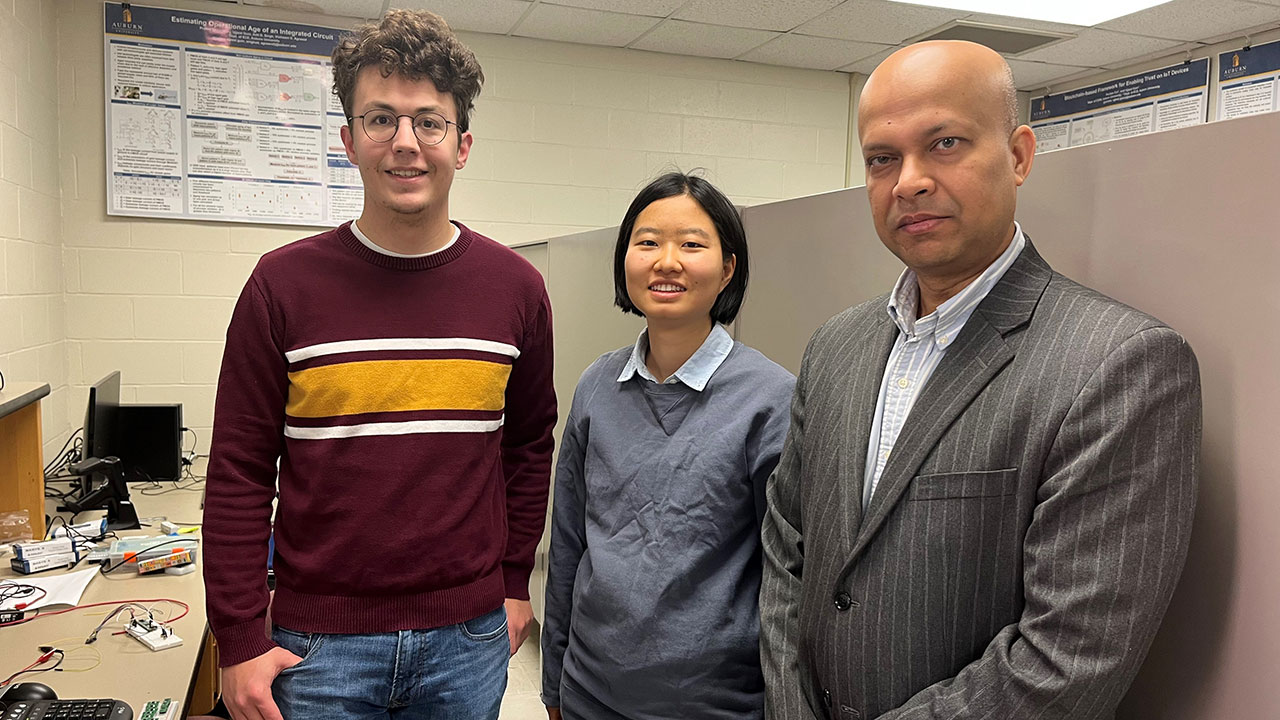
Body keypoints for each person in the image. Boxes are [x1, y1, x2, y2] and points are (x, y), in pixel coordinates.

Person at [759, 41, 1201, 719]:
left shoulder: (1121, 365)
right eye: (882, 158)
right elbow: (788, 549)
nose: (908, 180)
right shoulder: (836, 346)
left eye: (944, 143)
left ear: (1019, 155)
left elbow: (1069, 660)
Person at [202, 10, 556, 719]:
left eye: (429, 121)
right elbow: (238, 472)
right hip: (318, 647)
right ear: (348, 141)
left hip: (467, 639)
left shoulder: (516, 288)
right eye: (380, 120)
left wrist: (515, 583)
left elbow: (527, 449)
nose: (406, 144)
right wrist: (238, 637)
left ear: (462, 144)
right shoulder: (281, 286)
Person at [541, 173, 795, 719]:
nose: (667, 261)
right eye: (648, 241)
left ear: (728, 266)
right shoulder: (596, 386)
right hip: (591, 693)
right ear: (625, 259)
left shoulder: (771, 399)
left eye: (692, 244)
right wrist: (553, 678)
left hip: (717, 703)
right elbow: (567, 543)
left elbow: (789, 577)